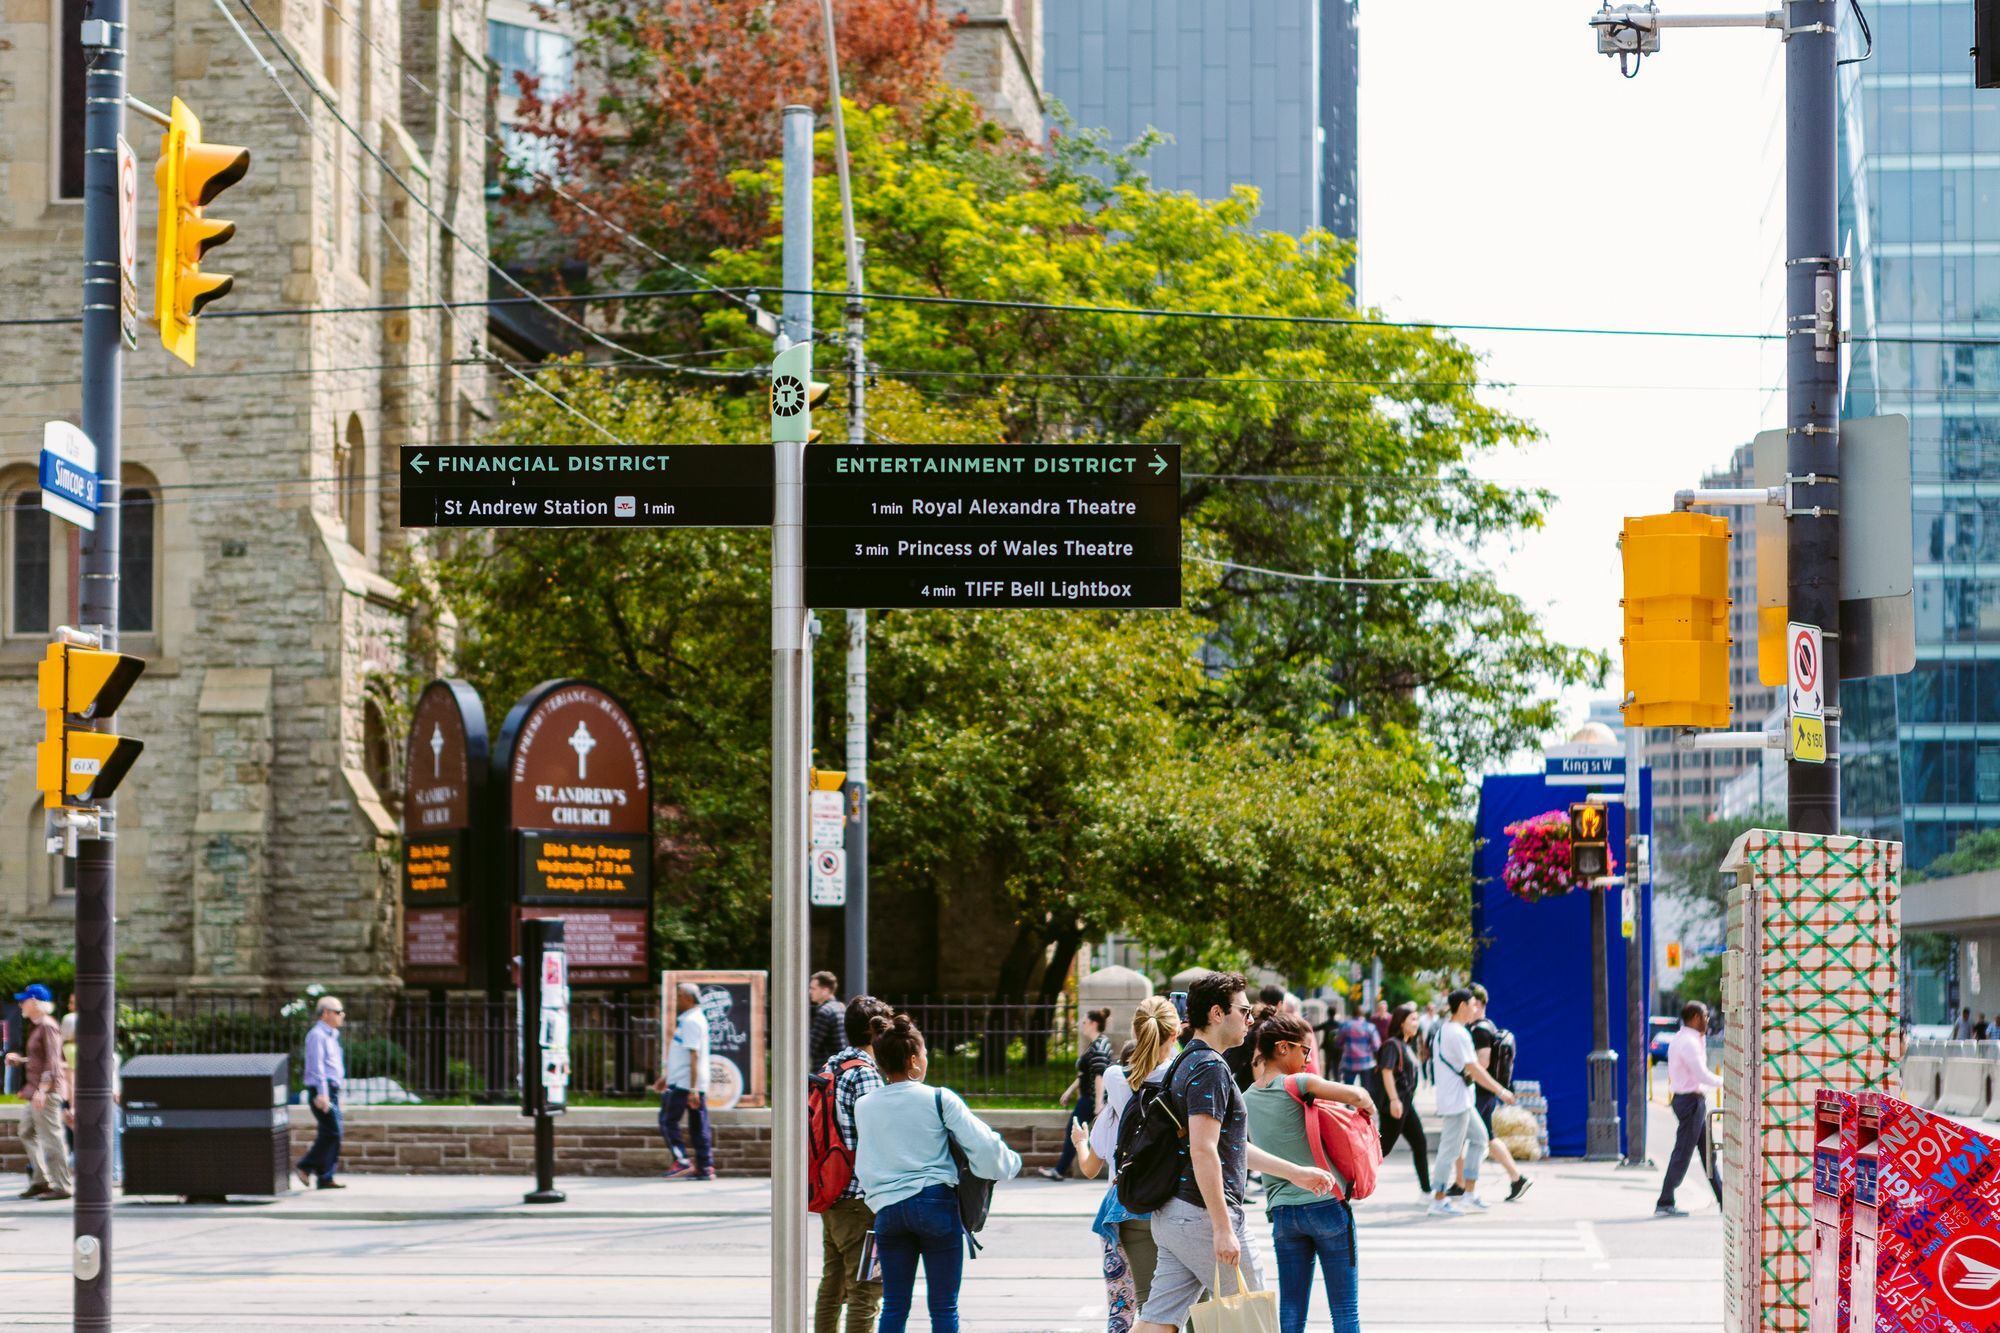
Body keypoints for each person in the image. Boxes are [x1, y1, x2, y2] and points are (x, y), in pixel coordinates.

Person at [1132, 972, 1336, 1333]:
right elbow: (1204, 1150)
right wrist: (1224, 1228)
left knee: (1156, 1324)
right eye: (1243, 1011)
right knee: (1251, 1321)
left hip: (1174, 1214)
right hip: (1203, 1216)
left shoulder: (1186, 1061)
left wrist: (1295, 1172)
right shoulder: (1210, 1068)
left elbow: (1229, 1146)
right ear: (1216, 1013)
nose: (1250, 1020)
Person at [854, 1012, 1023, 1332]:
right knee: (944, 1308)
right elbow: (984, 1148)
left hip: (888, 1211)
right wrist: (1010, 1164)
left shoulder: (865, 1105)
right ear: (914, 1059)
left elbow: (864, 1163)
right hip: (935, 1205)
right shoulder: (938, 1098)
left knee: (893, 1307)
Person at [1244, 1009, 1372, 1333]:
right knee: (1344, 1312)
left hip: (1284, 1215)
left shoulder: (1245, 1098)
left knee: (1291, 1310)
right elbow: (1357, 1095)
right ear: (1283, 1048)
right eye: (1305, 1050)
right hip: (1326, 1205)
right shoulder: (1297, 1083)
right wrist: (1368, 1107)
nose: (1308, 1058)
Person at [1070, 996, 1182, 1332]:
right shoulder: (1186, 1077)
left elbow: (1092, 1164)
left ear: (1135, 1031)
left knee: (1145, 1309)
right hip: (1180, 1203)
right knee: (1190, 1308)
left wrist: (1079, 1143)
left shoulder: (1117, 1079)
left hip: (1131, 1206)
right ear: (1175, 1034)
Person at [815, 994, 893, 1333]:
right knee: (867, 1290)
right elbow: (879, 1134)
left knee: (832, 1285)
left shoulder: (833, 1065)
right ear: (877, 1033)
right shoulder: (866, 1075)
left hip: (833, 1194)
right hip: (862, 1200)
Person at [1429, 988, 1514, 1216]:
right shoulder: (1458, 1033)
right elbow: (1474, 1068)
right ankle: (1437, 1200)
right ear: (1463, 1006)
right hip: (1457, 1102)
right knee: (1449, 1151)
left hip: (1460, 1100)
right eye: (1473, 1005)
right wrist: (1500, 1090)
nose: (1476, 1009)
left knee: (1480, 1140)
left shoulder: (1445, 1031)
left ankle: (1469, 1193)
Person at [1655, 1001, 1726, 1218]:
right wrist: (1727, 1081)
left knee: (1708, 1154)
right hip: (1690, 1103)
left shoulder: (1686, 1038)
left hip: (1691, 1101)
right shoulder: (1689, 1043)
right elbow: (1701, 1074)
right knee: (1683, 1153)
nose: (1707, 1020)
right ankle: (1665, 1201)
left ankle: (1723, 1199)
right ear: (1695, 1017)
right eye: (1705, 1016)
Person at [1462, 984, 1531, 1203]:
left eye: (1471, 1003)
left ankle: (1463, 1184)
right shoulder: (1487, 1026)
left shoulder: (1481, 1029)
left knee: (1477, 1137)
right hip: (1486, 1090)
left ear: (1479, 1004)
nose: (1468, 1007)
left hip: (1482, 1091)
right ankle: (1515, 1178)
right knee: (1486, 1137)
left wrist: (1465, 1072)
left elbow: (1482, 1061)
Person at [6, 984, 71, 1200]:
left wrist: (43, 1090)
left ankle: (62, 1185)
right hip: (36, 1091)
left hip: (46, 1093)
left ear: (35, 1002)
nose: (20, 1004)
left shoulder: (48, 1026)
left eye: (24, 1000)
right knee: (26, 1131)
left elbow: (53, 1063)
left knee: (51, 1137)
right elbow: (42, 1059)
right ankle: (41, 1180)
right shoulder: (38, 1027)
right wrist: (21, 1060)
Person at [1042, 1007, 1115, 1180]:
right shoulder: (1096, 1044)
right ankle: (1064, 1169)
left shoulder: (1099, 1046)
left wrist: (1098, 1103)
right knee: (1083, 1132)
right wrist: (1069, 1091)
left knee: (1075, 1131)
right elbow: (1084, 1074)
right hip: (1088, 1098)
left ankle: (1061, 1170)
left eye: (1084, 1022)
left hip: (1090, 1099)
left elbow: (1099, 1075)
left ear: (1093, 1023)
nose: (1081, 1025)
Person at [653, 982, 713, 1182]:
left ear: (688, 998)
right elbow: (680, 1054)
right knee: (698, 1125)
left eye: (679, 996)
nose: (677, 1000)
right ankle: (705, 1167)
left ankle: (682, 1161)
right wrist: (665, 1077)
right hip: (686, 1082)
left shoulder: (692, 1022)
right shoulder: (691, 1019)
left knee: (667, 1121)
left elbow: (693, 1055)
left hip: (684, 1084)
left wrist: (693, 1088)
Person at [1373, 1002, 1431, 1197]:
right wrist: (1394, 1100)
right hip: (1396, 1105)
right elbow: (1386, 1071)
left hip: (1406, 1105)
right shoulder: (1392, 1045)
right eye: (1413, 1019)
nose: (1417, 1023)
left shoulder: (1406, 1045)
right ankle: (1347, 1184)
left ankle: (1426, 1191)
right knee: (1381, 1149)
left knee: (1420, 1143)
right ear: (1401, 1022)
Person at [295, 994, 346, 1190]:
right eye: (338, 1011)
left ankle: (325, 1177)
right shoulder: (317, 1035)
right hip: (321, 1091)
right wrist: (322, 1094)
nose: (342, 1015)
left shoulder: (332, 1036)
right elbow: (317, 1068)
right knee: (333, 1133)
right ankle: (305, 1166)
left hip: (331, 1091)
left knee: (332, 1132)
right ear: (326, 1013)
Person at [809, 971, 846, 1073]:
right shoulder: (841, 1007)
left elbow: (811, 1046)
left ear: (825, 990)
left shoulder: (824, 1012)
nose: (810, 991)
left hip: (824, 1070)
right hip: (839, 1067)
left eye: (813, 988)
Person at [1335, 1005, 1380, 1087]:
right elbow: (1376, 1046)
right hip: (1366, 1063)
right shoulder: (1370, 1027)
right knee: (1367, 1090)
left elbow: (1338, 1043)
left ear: (1353, 1014)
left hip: (1349, 1063)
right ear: (1364, 1014)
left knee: (1349, 1090)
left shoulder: (1345, 1026)